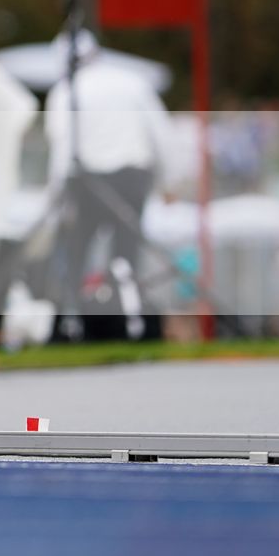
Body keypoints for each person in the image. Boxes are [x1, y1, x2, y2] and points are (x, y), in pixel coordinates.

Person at [44, 30, 175, 341]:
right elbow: (162, 135)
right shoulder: (132, 83)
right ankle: (130, 324)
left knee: (76, 255)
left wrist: (53, 198)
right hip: (132, 179)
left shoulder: (66, 92)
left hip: (89, 183)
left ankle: (73, 326)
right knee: (124, 259)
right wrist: (168, 182)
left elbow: (62, 148)